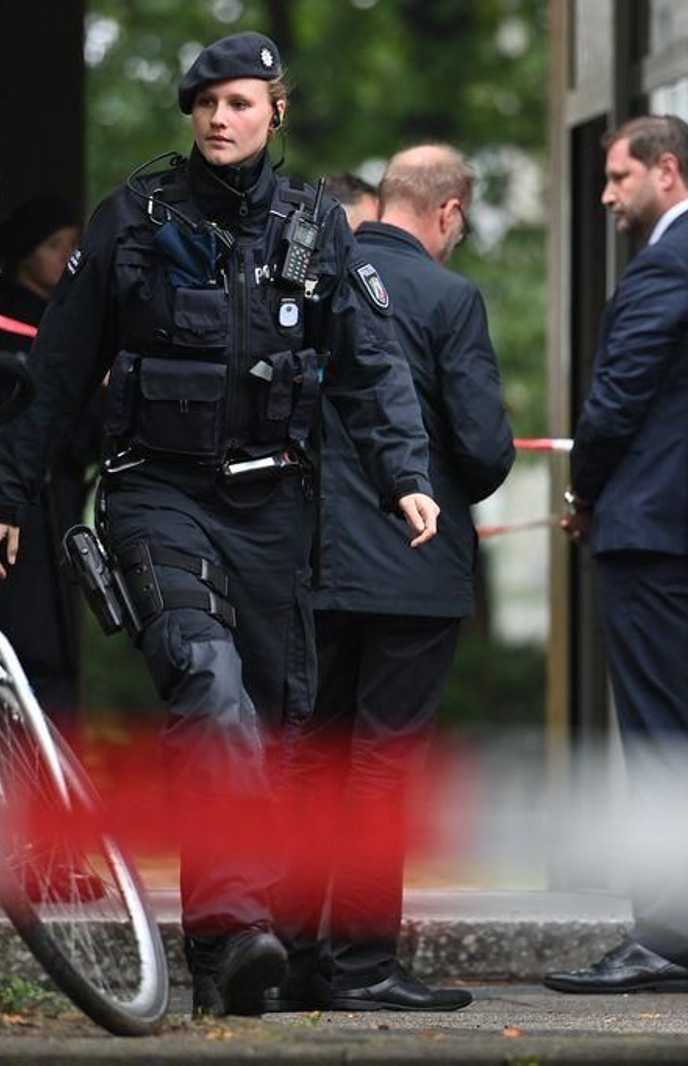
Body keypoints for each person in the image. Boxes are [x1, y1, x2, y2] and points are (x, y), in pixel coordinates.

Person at [0, 30, 441, 1018]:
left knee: (269, 734)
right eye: (204, 105)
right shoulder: (133, 219)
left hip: (275, 508)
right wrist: (6, 496)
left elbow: (370, 365)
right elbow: (55, 373)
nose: (219, 119)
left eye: (238, 103)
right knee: (210, 691)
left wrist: (405, 471)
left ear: (276, 111)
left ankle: (227, 961)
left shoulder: (320, 227)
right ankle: (234, 936)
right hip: (157, 496)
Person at [272, 145, 514, 1013]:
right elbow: (485, 450)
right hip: (415, 569)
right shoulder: (449, 299)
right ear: (447, 213)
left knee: (311, 759)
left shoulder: (309, 287)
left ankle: (296, 958)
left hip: (312, 561)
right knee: (384, 767)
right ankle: (368, 964)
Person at [546, 115, 688, 995]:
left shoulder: (671, 265)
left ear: (667, 171)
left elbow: (614, 401)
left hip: (649, 534)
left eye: (616, 177)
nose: (605, 196)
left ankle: (673, 937)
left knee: (657, 738)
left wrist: (586, 496)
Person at [0, 195, 96, 723]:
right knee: (23, 641)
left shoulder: (74, 319)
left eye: (74, 244)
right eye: (56, 245)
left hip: (63, 500)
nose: (68, 256)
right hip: (17, 503)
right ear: (25, 254)